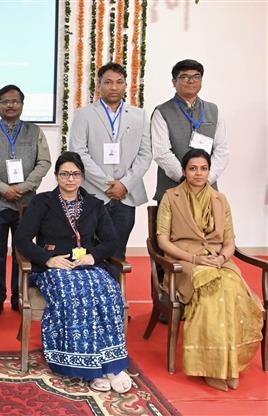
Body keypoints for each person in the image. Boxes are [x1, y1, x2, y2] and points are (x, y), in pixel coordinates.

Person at [15, 151, 131, 394]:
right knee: (75, 294)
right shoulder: (42, 202)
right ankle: (89, 368)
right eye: (65, 174)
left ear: (82, 177)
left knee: (108, 291)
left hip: (87, 265)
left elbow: (110, 241)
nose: (70, 179)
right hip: (55, 268)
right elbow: (23, 240)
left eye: (75, 174)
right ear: (56, 176)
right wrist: (49, 260)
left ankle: (111, 364)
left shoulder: (94, 204)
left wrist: (92, 256)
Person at [156, 148, 263, 391]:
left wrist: (222, 258)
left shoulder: (219, 199)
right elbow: (163, 241)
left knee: (231, 287)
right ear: (184, 171)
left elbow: (229, 241)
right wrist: (194, 258)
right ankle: (211, 367)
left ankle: (230, 365)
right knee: (211, 290)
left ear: (209, 171)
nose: (198, 173)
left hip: (217, 259)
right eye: (193, 168)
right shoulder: (171, 197)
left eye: (203, 168)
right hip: (185, 262)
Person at [0, 84, 51, 319]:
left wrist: (25, 187)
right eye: (5, 102)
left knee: (23, 252)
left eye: (15, 101)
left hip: (26, 204)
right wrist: (3, 188)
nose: (10, 105)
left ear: (22, 105)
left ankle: (20, 297)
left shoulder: (34, 131)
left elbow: (45, 162)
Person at [69, 62, 152, 259]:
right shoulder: (84, 114)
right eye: (108, 82)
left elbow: (145, 154)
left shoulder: (139, 115)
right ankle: (93, 289)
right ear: (99, 85)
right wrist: (107, 184)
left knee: (117, 251)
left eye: (119, 82)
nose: (113, 87)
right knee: (89, 250)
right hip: (94, 192)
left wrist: (124, 184)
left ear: (125, 85)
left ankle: (115, 290)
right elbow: (78, 152)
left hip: (126, 194)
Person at [151, 59, 228, 202]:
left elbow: (222, 150)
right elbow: (161, 152)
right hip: (172, 191)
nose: (191, 81)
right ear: (174, 82)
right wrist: (185, 179)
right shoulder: (162, 112)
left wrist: (206, 179)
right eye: (185, 77)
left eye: (196, 77)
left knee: (210, 225)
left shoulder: (213, 110)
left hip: (207, 191)